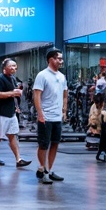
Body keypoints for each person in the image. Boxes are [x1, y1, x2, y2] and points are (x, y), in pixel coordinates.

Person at [30, 49, 66, 183]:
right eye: (59, 59)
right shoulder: (42, 75)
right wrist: (40, 114)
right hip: (46, 116)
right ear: (51, 59)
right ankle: (42, 168)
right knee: (43, 144)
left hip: (57, 117)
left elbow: (65, 95)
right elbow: (37, 96)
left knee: (55, 144)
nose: (61, 61)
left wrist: (64, 111)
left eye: (62, 59)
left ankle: (48, 170)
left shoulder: (62, 76)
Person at [0, 59, 31, 169]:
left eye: (15, 66)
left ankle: (18, 159)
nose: (14, 68)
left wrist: (17, 97)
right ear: (5, 68)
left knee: (12, 135)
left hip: (11, 112)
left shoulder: (12, 78)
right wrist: (13, 93)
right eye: (11, 66)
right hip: (1, 113)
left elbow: (12, 93)